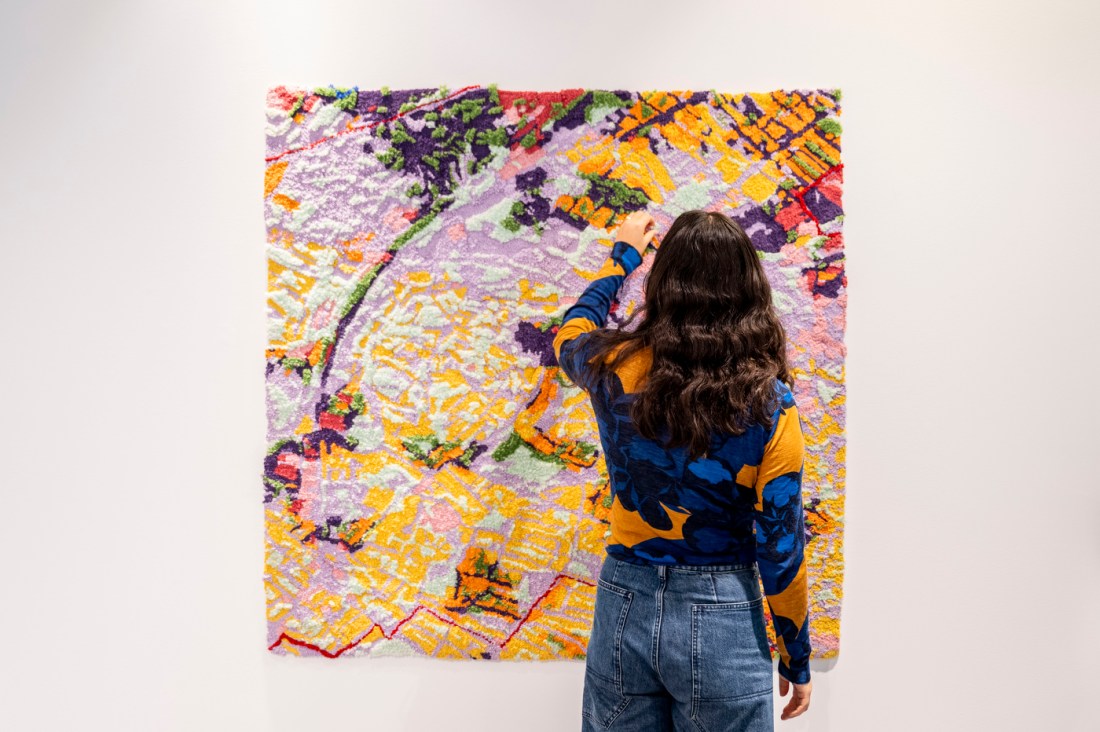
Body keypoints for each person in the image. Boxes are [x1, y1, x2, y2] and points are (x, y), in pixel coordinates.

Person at [552, 209, 813, 731]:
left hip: (623, 599)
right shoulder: (769, 403)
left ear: (663, 284)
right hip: (723, 613)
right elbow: (780, 541)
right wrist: (795, 654)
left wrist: (622, 257)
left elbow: (571, 332)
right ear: (747, 289)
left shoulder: (612, 367)